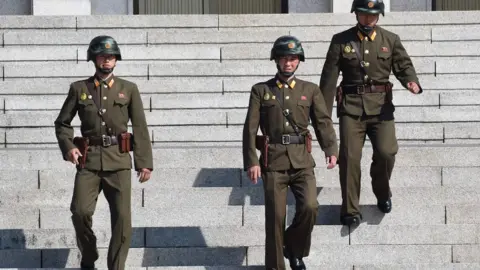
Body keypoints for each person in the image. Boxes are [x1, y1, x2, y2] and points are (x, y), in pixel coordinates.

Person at [319, 0, 422, 226]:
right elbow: (328, 80)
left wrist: (411, 82)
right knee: (349, 158)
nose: (368, 19)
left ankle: (382, 193)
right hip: (351, 108)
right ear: (356, 14)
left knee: (386, 153)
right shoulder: (341, 41)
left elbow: (403, 66)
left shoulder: (390, 40)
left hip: (381, 108)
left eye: (373, 15)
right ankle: (350, 210)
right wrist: (322, 116)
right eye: (364, 14)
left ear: (379, 15)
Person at [54, 35, 153, 270]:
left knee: (122, 220)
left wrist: (144, 162)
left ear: (116, 60)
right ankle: (89, 256)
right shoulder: (79, 89)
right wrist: (69, 148)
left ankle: (116, 267)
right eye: (102, 56)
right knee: (79, 212)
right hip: (88, 162)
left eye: (111, 57)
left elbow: (139, 126)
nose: (107, 61)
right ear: (94, 59)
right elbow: (62, 123)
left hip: (119, 161)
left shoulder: (128, 89)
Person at [242, 35, 338, 270]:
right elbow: (250, 128)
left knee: (310, 207)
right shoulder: (261, 90)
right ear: (276, 60)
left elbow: (322, 122)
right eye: (284, 58)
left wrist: (330, 148)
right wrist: (252, 161)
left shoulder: (310, 90)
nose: (288, 63)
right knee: (275, 218)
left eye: (293, 58)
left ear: (299, 61)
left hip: (302, 161)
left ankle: (294, 249)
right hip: (273, 161)